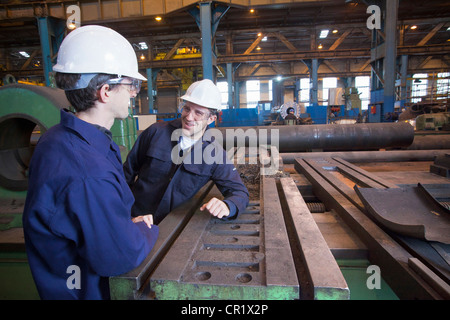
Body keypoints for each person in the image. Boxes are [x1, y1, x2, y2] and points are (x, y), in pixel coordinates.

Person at [22, 25, 158, 300]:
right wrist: (144, 229)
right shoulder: (88, 170)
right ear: (105, 91)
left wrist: (120, 224)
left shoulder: (58, 138)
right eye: (131, 85)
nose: (134, 93)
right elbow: (119, 256)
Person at [123, 79, 249, 225]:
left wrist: (228, 206)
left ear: (211, 119)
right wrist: (123, 213)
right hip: (132, 217)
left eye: (198, 113)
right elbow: (126, 174)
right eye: (187, 109)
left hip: (168, 227)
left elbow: (240, 192)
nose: (189, 117)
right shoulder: (156, 132)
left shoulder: (214, 155)